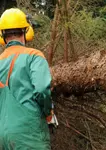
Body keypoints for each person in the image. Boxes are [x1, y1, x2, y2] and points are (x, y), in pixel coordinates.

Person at [0, 8, 52, 149]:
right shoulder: (34, 56)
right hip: (28, 135)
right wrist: (48, 112)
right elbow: (42, 89)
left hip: (2, 137)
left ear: (3, 35)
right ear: (25, 31)